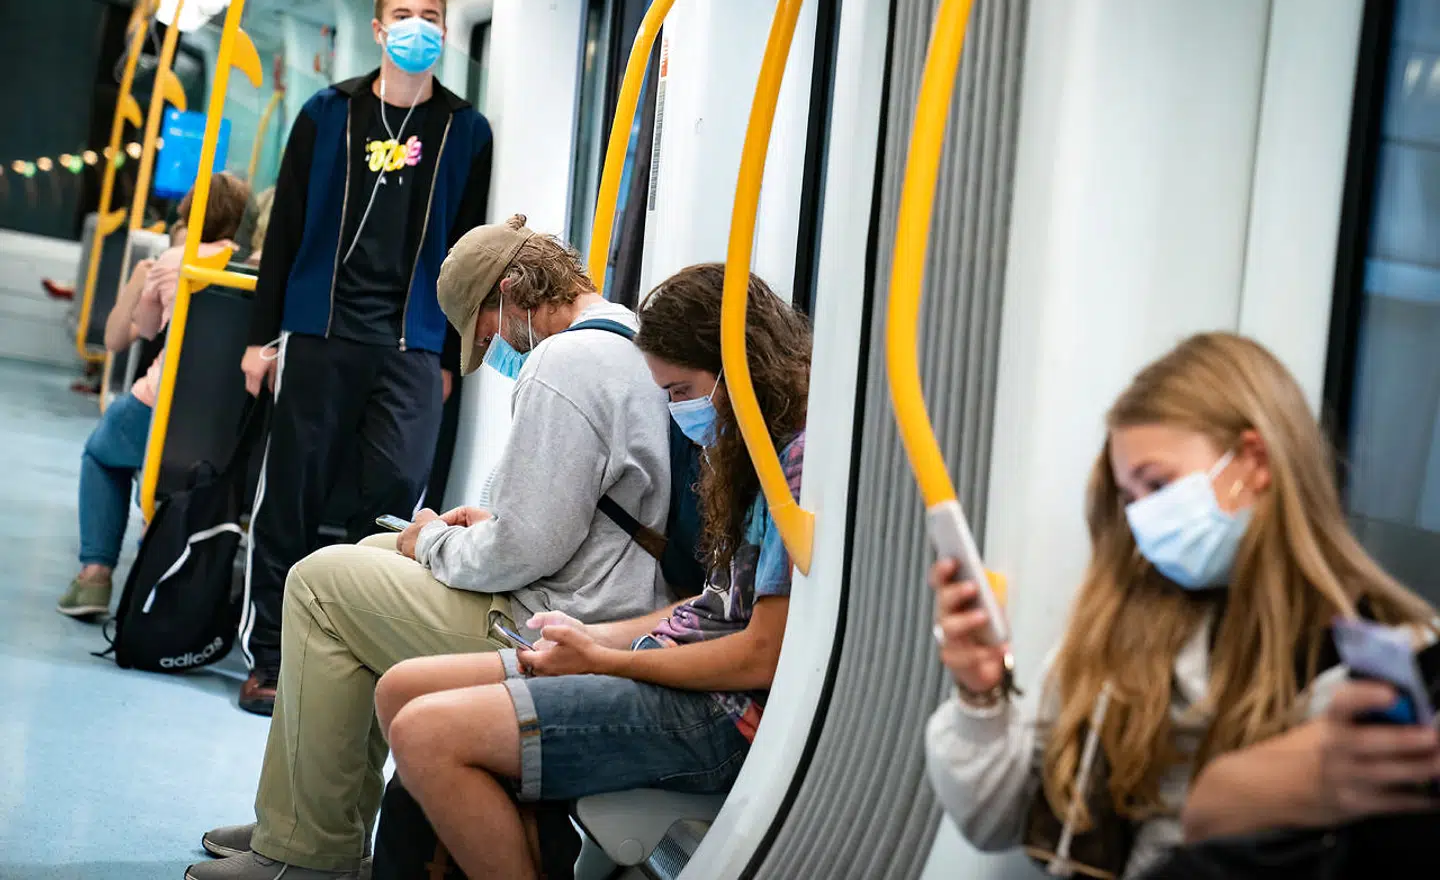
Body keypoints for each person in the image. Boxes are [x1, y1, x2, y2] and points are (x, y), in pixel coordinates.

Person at [188, 216, 673, 880]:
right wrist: (461, 532)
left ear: (510, 292)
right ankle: (306, 815)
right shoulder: (618, 336)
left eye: (487, 333)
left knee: (320, 583)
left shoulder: (565, 362)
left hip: (551, 624)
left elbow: (525, 549)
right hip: (585, 594)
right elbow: (565, 517)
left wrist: (438, 541)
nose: (497, 350)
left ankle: (309, 850)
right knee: (374, 550)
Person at [926, 332, 1438, 879]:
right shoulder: (1119, 628)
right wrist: (980, 695)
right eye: (1129, 498)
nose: (1141, 521)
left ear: (1254, 460)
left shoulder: (1377, 653)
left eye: (1158, 485)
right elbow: (996, 819)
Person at [367, 263, 809, 880]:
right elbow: (714, 604)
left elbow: (760, 655)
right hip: (676, 663)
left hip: (720, 714)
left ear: (736, 371)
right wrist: (591, 636)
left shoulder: (795, 466)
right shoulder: (749, 456)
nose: (677, 411)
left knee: (426, 733)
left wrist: (604, 660)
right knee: (401, 688)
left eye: (680, 392)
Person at [235, 0, 493, 715]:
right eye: (405, 16)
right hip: (320, 331)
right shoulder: (327, 113)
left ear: (447, 33)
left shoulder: (463, 130)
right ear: (378, 29)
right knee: (291, 497)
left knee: (388, 506)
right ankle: (272, 659)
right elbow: (282, 234)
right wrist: (261, 338)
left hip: (411, 345)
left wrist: (450, 358)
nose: (419, 29)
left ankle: (350, 661)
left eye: (433, 19)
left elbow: (470, 252)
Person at [57, 172, 251, 618]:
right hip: (225, 423)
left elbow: (141, 331)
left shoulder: (175, 262)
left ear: (188, 214)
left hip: (160, 408)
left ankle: (95, 577)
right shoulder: (253, 270)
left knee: (102, 454)